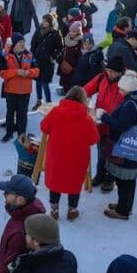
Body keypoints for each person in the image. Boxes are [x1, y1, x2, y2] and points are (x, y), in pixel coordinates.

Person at [42, 86, 100, 220]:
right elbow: (94, 139)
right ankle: (72, 211)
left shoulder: (56, 112)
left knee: (55, 182)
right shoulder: (86, 118)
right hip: (77, 158)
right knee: (74, 184)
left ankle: (54, 210)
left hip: (56, 155)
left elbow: (44, 127)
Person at [100, 71, 137, 220]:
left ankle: (122, 211)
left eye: (122, 89)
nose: (119, 91)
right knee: (129, 180)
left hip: (126, 147)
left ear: (129, 89)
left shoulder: (130, 105)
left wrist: (104, 117)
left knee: (123, 180)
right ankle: (125, 205)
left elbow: (120, 125)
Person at [84, 57, 125, 191]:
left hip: (116, 124)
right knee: (101, 151)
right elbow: (87, 89)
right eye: (108, 70)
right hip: (100, 122)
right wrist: (78, 97)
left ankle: (110, 179)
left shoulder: (125, 83)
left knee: (113, 153)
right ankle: (100, 175)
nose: (110, 74)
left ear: (120, 72)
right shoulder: (102, 77)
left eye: (113, 72)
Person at [0, 34, 39, 143]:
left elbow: (37, 71)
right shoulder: (6, 56)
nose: (22, 44)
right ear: (14, 44)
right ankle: (9, 133)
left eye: (23, 42)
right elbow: (2, 73)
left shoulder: (29, 55)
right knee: (10, 112)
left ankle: (22, 135)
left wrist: (28, 73)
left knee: (22, 113)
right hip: (11, 90)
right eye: (20, 42)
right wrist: (16, 72)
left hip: (25, 90)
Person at [30, 15, 63, 109]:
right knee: (38, 82)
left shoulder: (56, 33)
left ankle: (48, 103)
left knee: (45, 83)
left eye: (46, 21)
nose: (44, 23)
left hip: (48, 62)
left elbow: (60, 48)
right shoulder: (38, 30)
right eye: (43, 20)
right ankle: (39, 101)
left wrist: (53, 57)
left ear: (50, 22)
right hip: (37, 60)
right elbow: (33, 44)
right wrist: (32, 55)